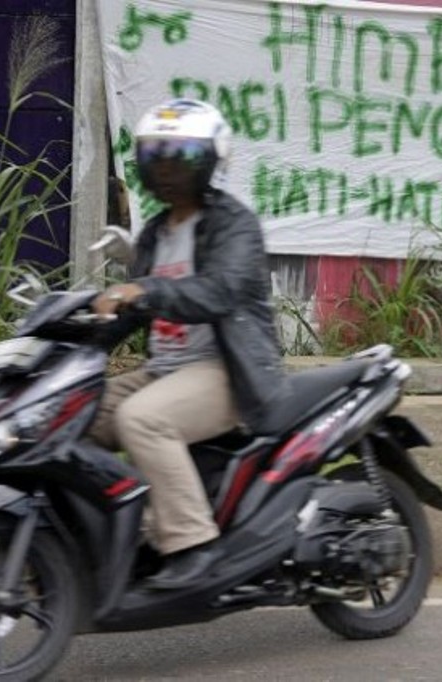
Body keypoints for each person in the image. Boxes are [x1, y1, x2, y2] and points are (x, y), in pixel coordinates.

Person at [88, 98, 290, 590]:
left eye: (182, 157)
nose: (168, 169)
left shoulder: (233, 224)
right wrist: (75, 328)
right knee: (74, 414)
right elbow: (134, 310)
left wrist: (145, 289)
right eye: (158, 156)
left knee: (143, 419)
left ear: (209, 162)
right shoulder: (156, 232)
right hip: (166, 369)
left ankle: (192, 543)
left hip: (227, 370)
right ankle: (112, 531)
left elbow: (221, 290)